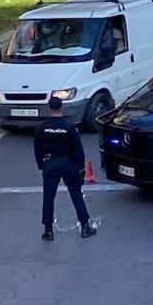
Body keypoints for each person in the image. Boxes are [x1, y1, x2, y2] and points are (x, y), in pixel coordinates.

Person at [33, 97, 96, 240]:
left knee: (48, 198)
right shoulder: (69, 127)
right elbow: (78, 150)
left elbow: (37, 150)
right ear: (62, 108)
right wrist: (80, 168)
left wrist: (41, 166)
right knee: (76, 195)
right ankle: (85, 226)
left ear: (49, 109)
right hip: (68, 163)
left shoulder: (42, 128)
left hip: (50, 164)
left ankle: (48, 230)